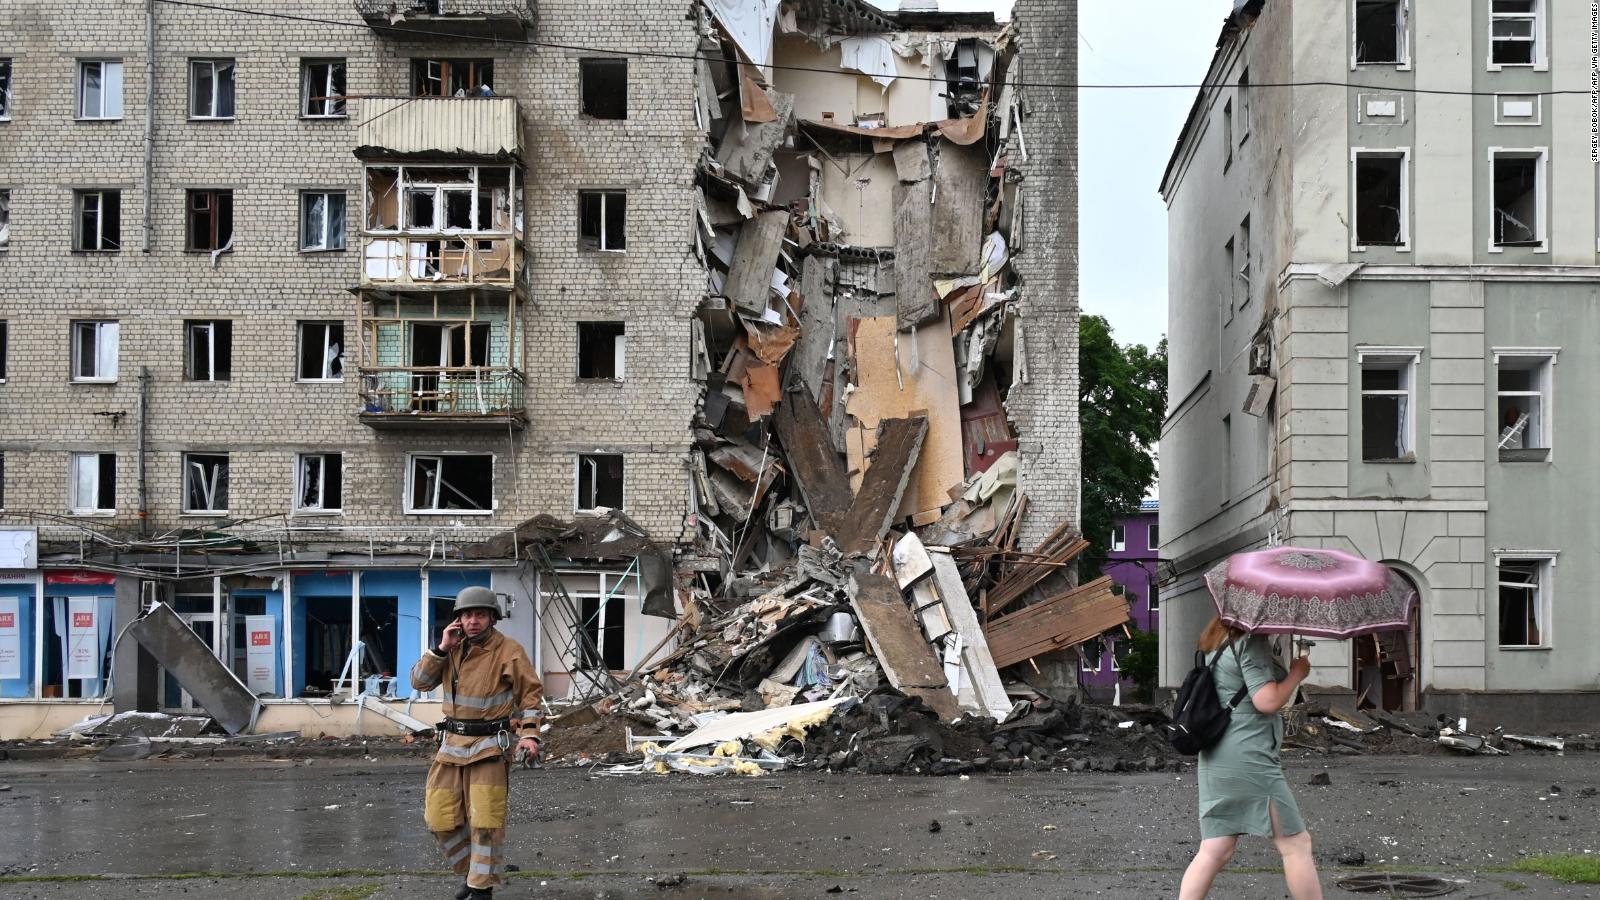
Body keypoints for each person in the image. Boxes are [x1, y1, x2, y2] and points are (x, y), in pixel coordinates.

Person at [411, 586, 544, 900]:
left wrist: (529, 734)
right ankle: (474, 874)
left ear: (492, 618)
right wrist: (441, 648)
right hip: (450, 746)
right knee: (439, 818)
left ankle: (480, 888)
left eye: (480, 615)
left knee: (485, 821)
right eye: (467, 615)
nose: (473, 621)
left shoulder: (509, 650)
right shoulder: (451, 649)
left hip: (489, 747)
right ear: (458, 619)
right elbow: (419, 681)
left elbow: (531, 696)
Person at [1179, 617, 1321, 900]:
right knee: (1296, 844)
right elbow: (1265, 701)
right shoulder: (1251, 642)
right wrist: (1297, 674)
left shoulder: (1217, 638)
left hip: (1216, 752)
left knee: (1216, 848)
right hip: (1247, 754)